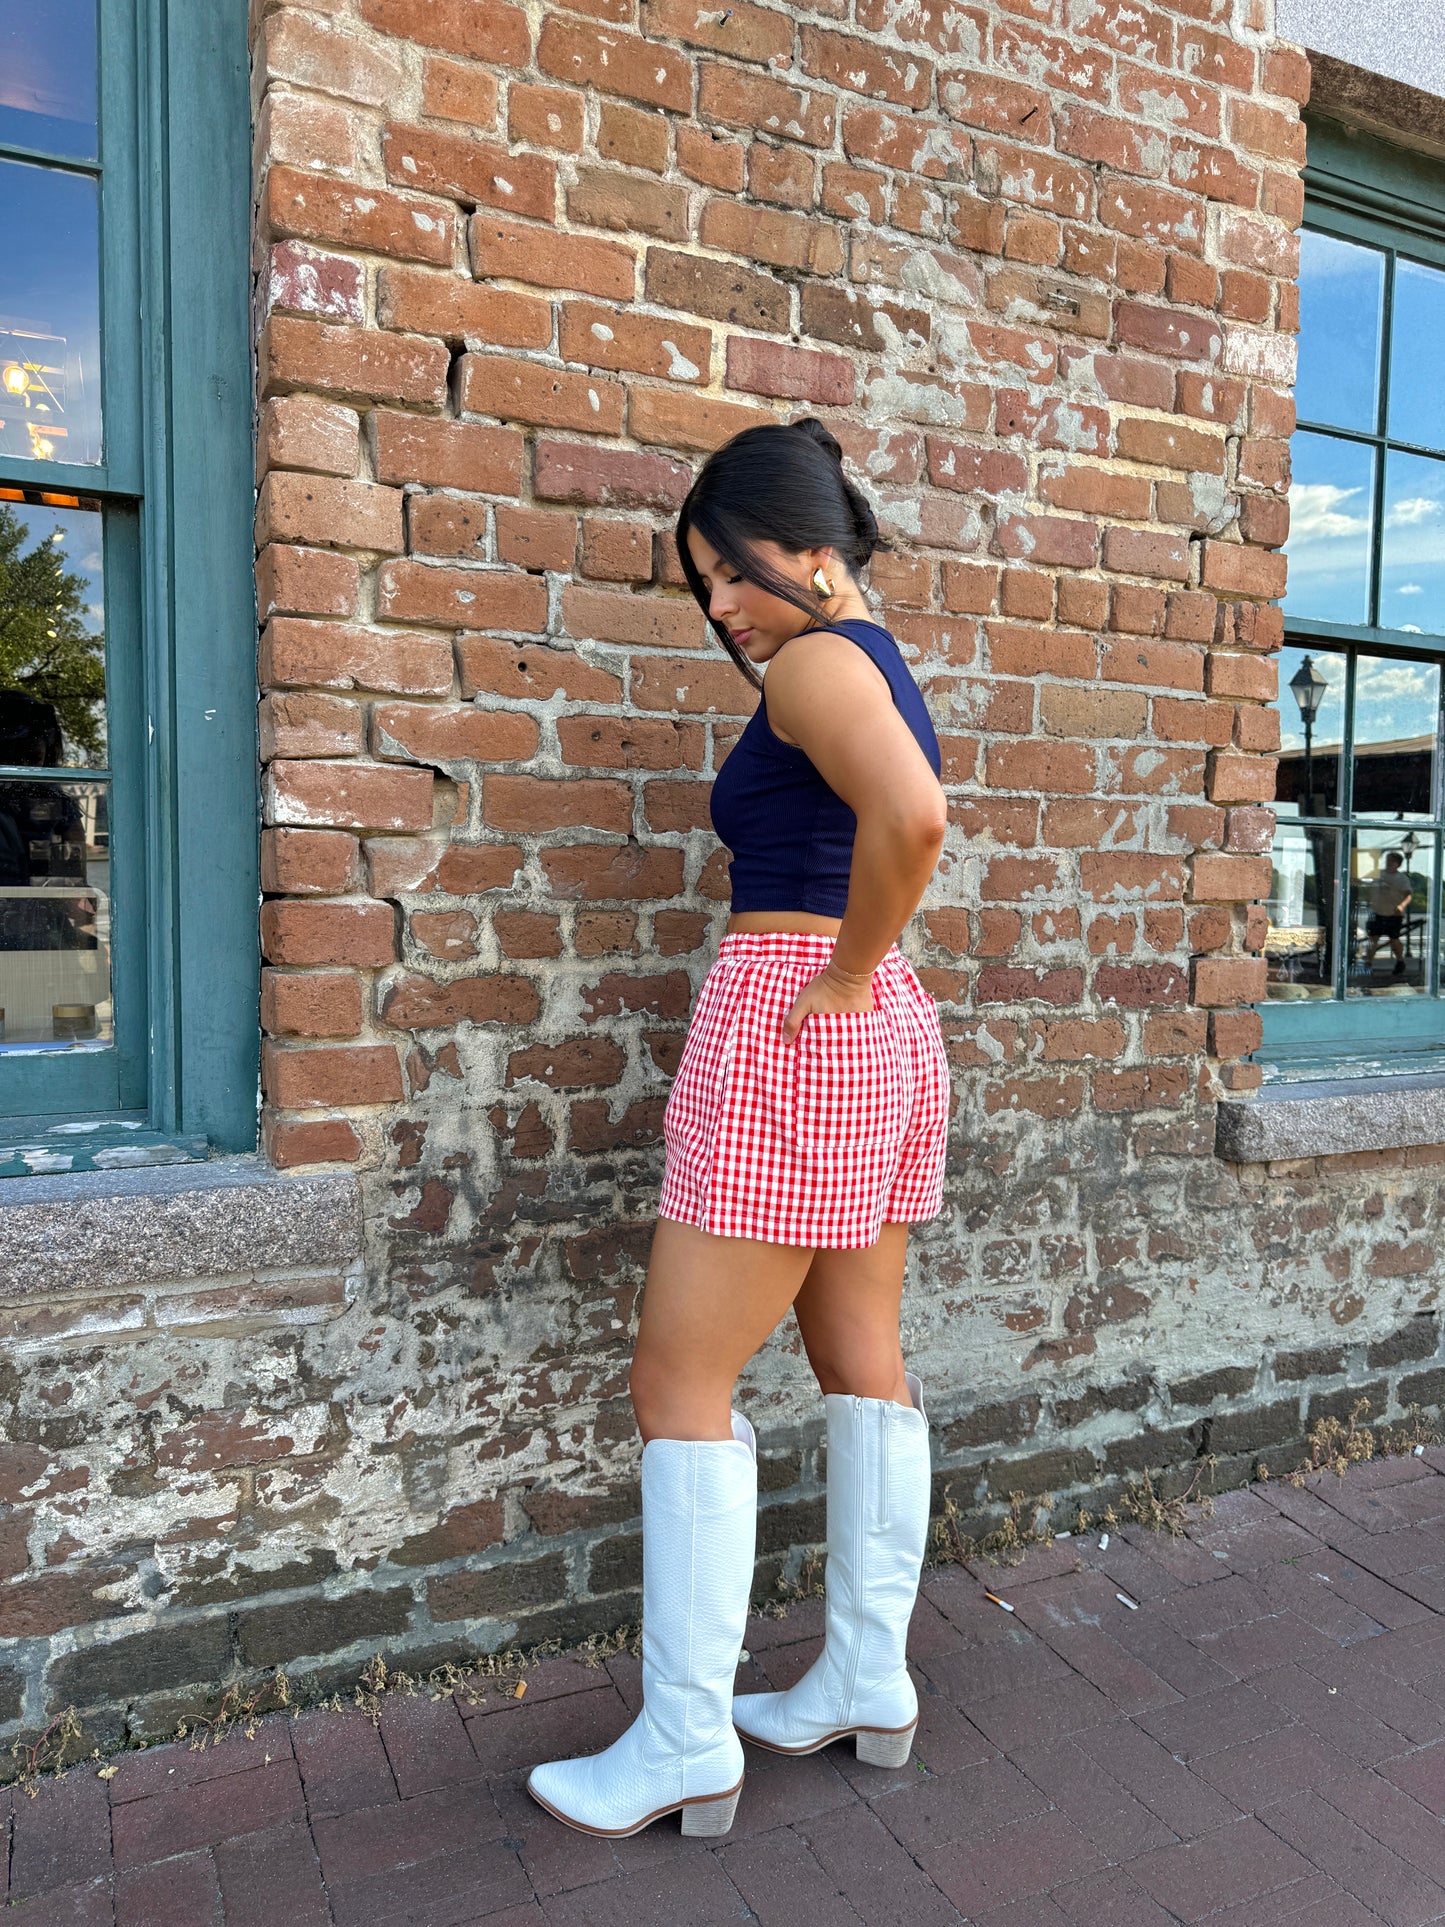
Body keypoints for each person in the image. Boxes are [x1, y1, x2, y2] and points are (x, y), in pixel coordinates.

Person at [526, 417, 952, 1841]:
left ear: (808, 545)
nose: (722, 606)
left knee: (677, 1380)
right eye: (704, 583)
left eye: (732, 572)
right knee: (857, 1353)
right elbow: (897, 816)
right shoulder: (872, 656)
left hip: (801, 1010)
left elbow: (914, 815)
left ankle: (683, 1740)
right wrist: (860, 976)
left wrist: (831, 971)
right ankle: (863, 1673)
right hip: (869, 1019)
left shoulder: (820, 659)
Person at [1362, 851, 1413, 979]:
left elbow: (1408, 895)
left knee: (1394, 939)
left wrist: (1401, 906)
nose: (1388, 863)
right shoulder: (1378, 874)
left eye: (1392, 861)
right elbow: (1364, 881)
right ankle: (1368, 964)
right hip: (1377, 912)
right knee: (1373, 938)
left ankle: (1400, 961)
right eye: (1388, 860)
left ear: (1397, 864)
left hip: (1393, 914)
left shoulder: (1402, 879)